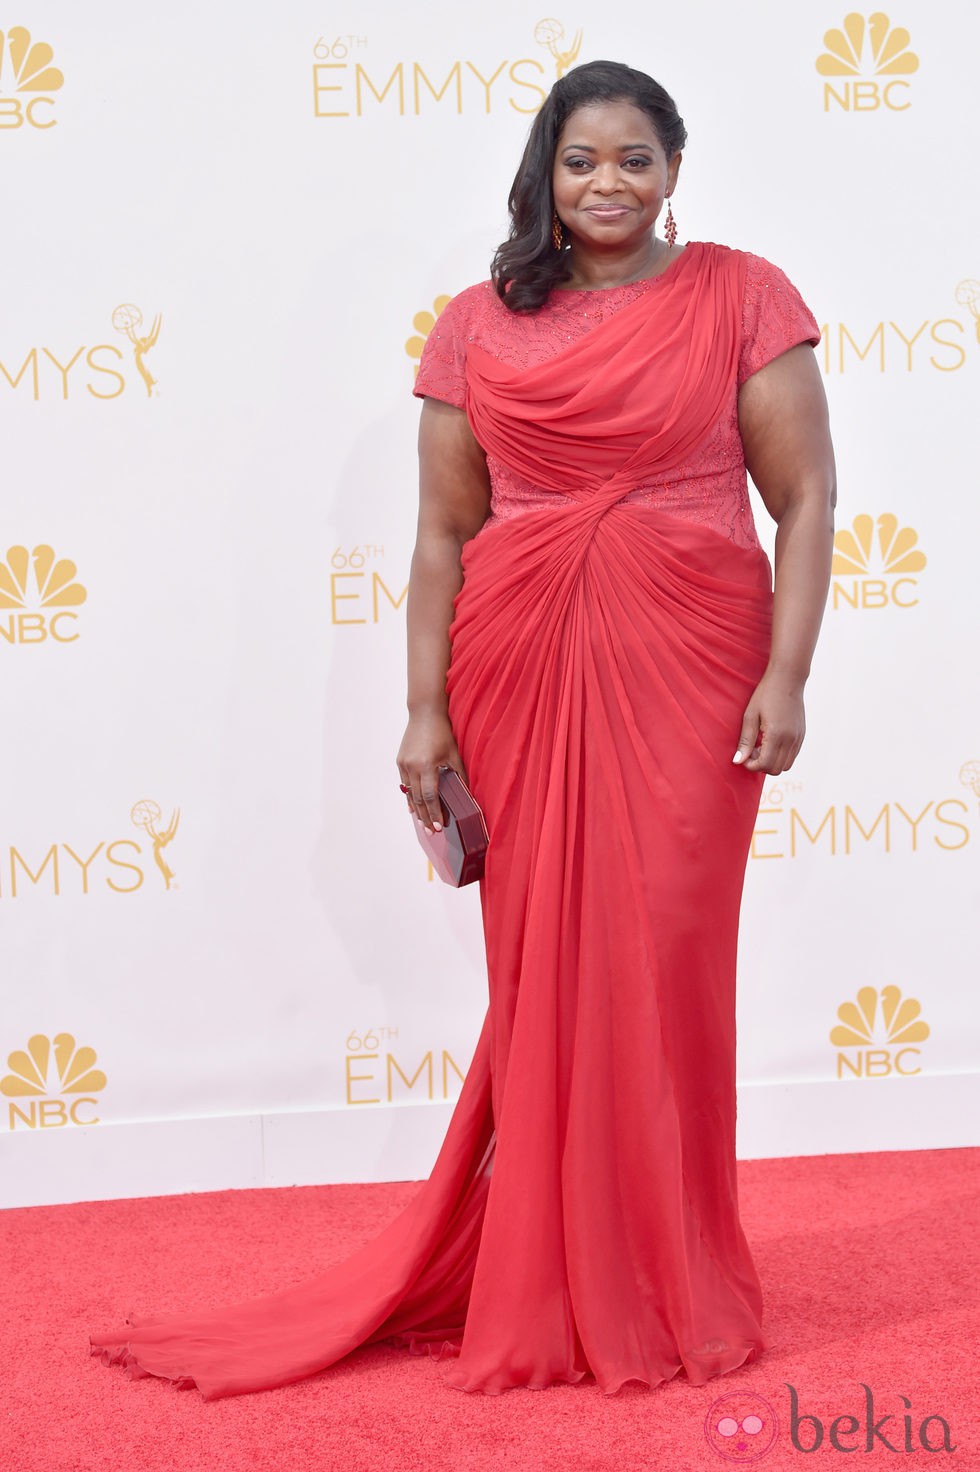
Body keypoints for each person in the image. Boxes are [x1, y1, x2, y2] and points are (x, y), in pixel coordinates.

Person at [90, 59, 835, 1400]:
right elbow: (442, 533)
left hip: (692, 657)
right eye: (580, 161)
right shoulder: (478, 326)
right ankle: (558, 1269)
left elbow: (807, 498)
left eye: (635, 161)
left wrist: (789, 674)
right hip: (519, 658)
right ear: (544, 172)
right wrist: (424, 709)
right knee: (544, 969)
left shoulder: (741, 294)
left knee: (664, 958)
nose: (608, 184)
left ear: (676, 171)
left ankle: (667, 1272)